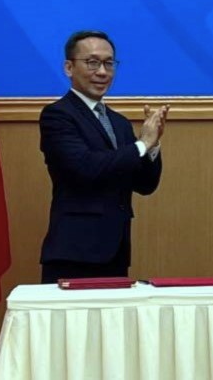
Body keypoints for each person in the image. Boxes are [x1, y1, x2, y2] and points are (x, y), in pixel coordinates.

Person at [39, 30, 168, 283]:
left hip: (116, 253)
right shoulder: (57, 116)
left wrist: (153, 145)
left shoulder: (119, 123)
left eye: (109, 63)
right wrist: (142, 144)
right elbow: (86, 168)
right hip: (74, 253)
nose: (102, 72)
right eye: (92, 62)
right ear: (68, 67)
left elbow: (145, 185)